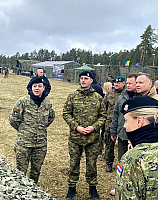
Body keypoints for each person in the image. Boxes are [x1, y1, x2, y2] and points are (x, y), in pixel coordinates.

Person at [63, 71, 107, 200]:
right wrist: (77, 127)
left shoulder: (98, 97)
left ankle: (93, 188)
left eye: (86, 78)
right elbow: (66, 113)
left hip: (92, 139)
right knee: (74, 163)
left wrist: (94, 127)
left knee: (92, 165)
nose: (83, 81)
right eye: (81, 78)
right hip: (75, 138)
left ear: (91, 81)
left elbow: (103, 116)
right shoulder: (73, 96)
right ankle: (71, 188)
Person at [9, 76, 55, 183]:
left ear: (44, 88)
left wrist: (39, 128)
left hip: (40, 144)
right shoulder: (22, 102)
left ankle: (33, 192)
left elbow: (51, 118)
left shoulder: (47, 103)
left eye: (40, 86)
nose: (37, 88)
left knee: (36, 171)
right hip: (24, 143)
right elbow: (13, 120)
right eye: (34, 86)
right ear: (31, 88)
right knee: (21, 172)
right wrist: (24, 130)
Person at [135, 72, 158, 138]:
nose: (137, 85)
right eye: (136, 83)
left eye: (141, 83)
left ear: (149, 84)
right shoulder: (136, 100)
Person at [103, 76, 125, 173]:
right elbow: (104, 108)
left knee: (123, 145)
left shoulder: (126, 95)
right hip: (109, 124)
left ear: (123, 84)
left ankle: (123, 164)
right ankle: (109, 163)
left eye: (118, 83)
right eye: (115, 83)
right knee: (109, 144)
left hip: (122, 124)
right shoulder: (109, 94)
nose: (116, 84)